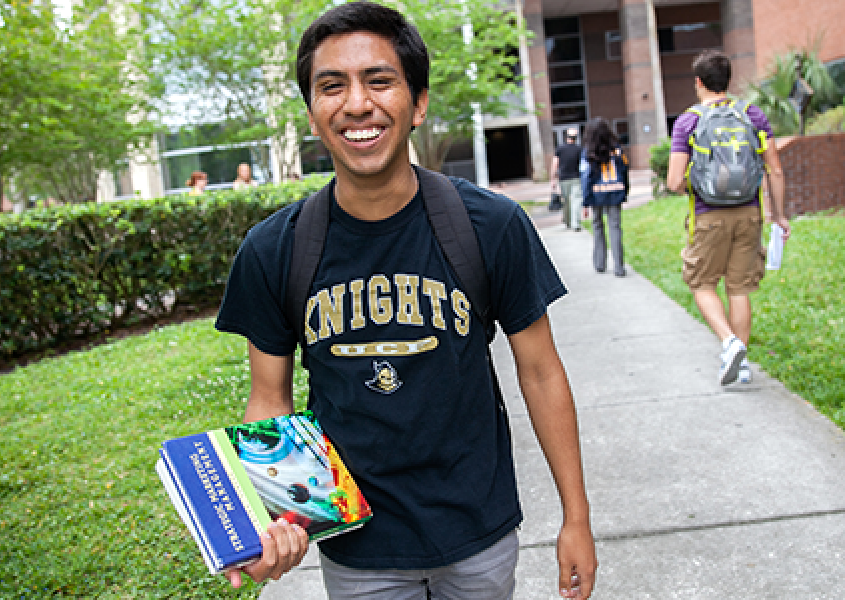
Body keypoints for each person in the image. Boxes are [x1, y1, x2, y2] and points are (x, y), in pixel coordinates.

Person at [214, 2, 597, 598]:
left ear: (417, 103)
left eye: (379, 80)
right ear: (314, 113)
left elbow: (543, 373)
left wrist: (576, 517)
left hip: (478, 534)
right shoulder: (273, 250)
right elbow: (269, 399)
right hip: (359, 547)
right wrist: (274, 519)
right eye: (331, 86)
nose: (357, 103)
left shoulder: (491, 226)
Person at [665, 49, 791, 386]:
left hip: (708, 217)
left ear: (698, 82)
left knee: (701, 283)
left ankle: (728, 341)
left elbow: (674, 181)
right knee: (739, 289)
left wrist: (696, 185)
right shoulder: (753, 115)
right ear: (728, 79)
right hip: (750, 213)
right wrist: (779, 215)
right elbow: (775, 170)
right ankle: (742, 363)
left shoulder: (688, 121)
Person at [579, 117, 628, 277]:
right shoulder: (617, 149)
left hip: (596, 194)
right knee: (615, 227)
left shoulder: (588, 151)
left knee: (597, 225)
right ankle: (619, 267)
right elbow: (624, 170)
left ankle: (600, 263)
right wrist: (625, 191)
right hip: (615, 191)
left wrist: (585, 201)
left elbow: (585, 176)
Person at [549, 127, 584, 231]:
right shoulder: (579, 149)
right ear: (576, 138)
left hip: (563, 178)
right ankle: (575, 224)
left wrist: (552, 180)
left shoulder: (560, 149)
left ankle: (568, 222)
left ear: (566, 137)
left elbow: (555, 164)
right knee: (576, 200)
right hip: (576, 178)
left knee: (566, 201)